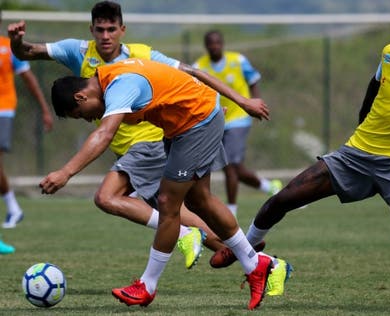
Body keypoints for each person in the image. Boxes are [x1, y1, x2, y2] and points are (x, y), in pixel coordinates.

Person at [213, 9, 390, 313]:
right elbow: (375, 84)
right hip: (356, 154)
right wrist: (362, 120)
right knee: (284, 197)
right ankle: (245, 249)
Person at [44, 58, 288, 310]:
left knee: (167, 203)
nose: (87, 119)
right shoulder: (110, 76)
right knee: (199, 200)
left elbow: (104, 134)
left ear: (81, 97)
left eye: (80, 115)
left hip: (196, 122)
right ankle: (256, 264)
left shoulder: (119, 87)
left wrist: (65, 172)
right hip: (192, 121)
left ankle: (147, 286)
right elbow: (179, 78)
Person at [7, 1, 229, 268]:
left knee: (107, 197)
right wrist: (17, 42)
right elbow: (29, 52)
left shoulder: (140, 54)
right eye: (100, 30)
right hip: (133, 149)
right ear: (91, 30)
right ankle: (245, 253)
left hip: (150, 142)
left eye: (111, 29)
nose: (105, 36)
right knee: (176, 207)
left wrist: (208, 107)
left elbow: (185, 75)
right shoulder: (78, 52)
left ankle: (194, 240)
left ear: (122, 29)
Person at [193, 30, 282, 218]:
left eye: (217, 43)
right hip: (215, 120)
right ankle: (270, 186)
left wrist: (257, 104)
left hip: (239, 118)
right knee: (234, 168)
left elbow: (253, 81)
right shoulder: (199, 66)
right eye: (211, 43)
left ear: (222, 44)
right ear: (206, 46)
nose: (214, 46)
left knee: (231, 165)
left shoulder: (238, 60)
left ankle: (231, 210)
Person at [0, 10, 53, 232]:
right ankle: (14, 208)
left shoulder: (7, 48)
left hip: (3, 110)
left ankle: (13, 207)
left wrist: (44, 110)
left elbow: (29, 80)